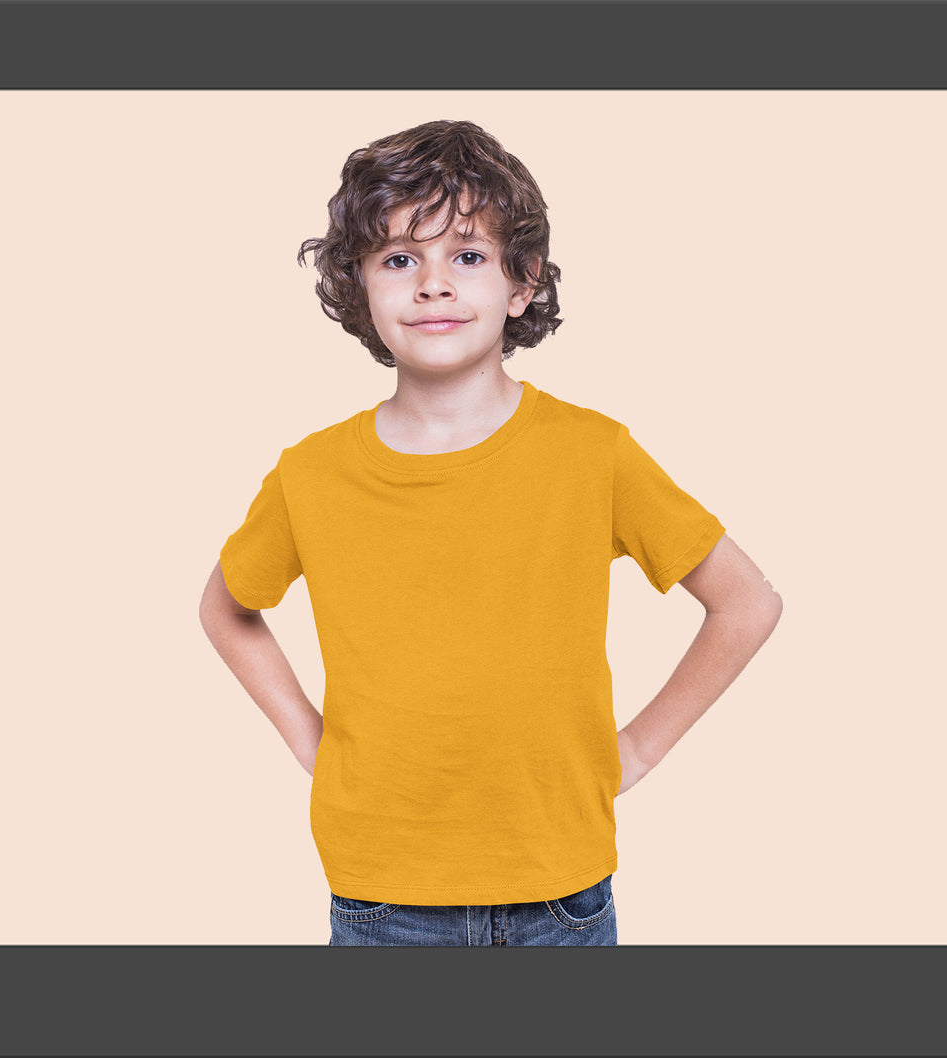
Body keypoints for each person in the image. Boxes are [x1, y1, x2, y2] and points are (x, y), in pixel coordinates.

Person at [198, 119, 782, 946]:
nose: (433, 283)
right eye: (400, 258)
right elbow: (227, 607)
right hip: (379, 896)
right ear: (358, 284)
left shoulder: (593, 453)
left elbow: (745, 603)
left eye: (467, 255)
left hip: (559, 893)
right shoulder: (310, 474)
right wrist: (311, 743)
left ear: (521, 282)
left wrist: (639, 751)